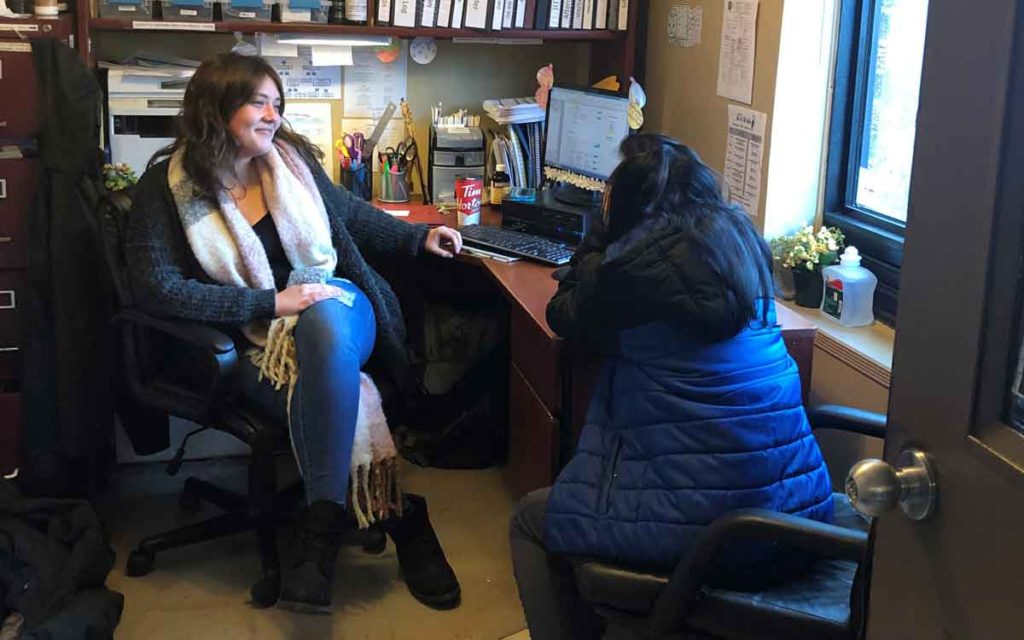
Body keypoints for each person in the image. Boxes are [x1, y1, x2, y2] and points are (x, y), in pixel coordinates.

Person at [124, 53, 464, 613]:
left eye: (277, 103)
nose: (272, 115)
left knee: (325, 318)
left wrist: (417, 240)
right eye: (258, 101)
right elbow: (157, 288)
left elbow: (351, 215)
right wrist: (271, 301)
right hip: (260, 342)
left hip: (338, 303)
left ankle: (321, 532)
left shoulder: (292, 161)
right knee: (338, 387)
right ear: (217, 107)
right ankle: (394, 520)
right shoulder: (165, 187)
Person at [509, 134, 834, 639]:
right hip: (798, 521)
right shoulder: (745, 249)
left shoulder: (629, 271)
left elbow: (564, 313)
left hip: (711, 541)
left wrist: (600, 234)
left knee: (531, 521)